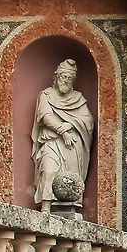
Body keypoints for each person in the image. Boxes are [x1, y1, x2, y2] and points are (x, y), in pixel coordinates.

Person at [31, 59, 93, 213]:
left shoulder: (78, 98)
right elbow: (45, 117)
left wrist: (71, 125)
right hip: (51, 141)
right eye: (63, 77)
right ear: (56, 77)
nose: (65, 81)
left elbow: (88, 120)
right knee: (49, 170)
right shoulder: (46, 95)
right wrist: (63, 131)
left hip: (72, 145)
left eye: (69, 78)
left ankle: (70, 209)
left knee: (71, 175)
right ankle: (45, 208)